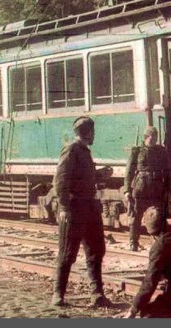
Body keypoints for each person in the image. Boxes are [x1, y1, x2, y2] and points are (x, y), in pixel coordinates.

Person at [51, 116, 113, 308]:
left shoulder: (84, 152)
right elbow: (60, 181)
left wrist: (100, 174)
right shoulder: (71, 150)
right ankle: (58, 295)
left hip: (89, 208)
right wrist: (64, 207)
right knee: (67, 252)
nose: (94, 135)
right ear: (89, 132)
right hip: (75, 208)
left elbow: (83, 177)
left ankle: (97, 294)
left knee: (96, 251)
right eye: (93, 131)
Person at [123, 126, 170, 252]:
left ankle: (156, 244)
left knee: (156, 216)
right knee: (135, 216)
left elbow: (167, 172)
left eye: (155, 137)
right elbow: (129, 172)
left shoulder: (161, 151)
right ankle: (133, 243)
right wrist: (127, 190)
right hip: (140, 188)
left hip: (156, 188)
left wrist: (167, 189)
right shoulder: (137, 151)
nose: (154, 139)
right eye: (151, 137)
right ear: (145, 137)